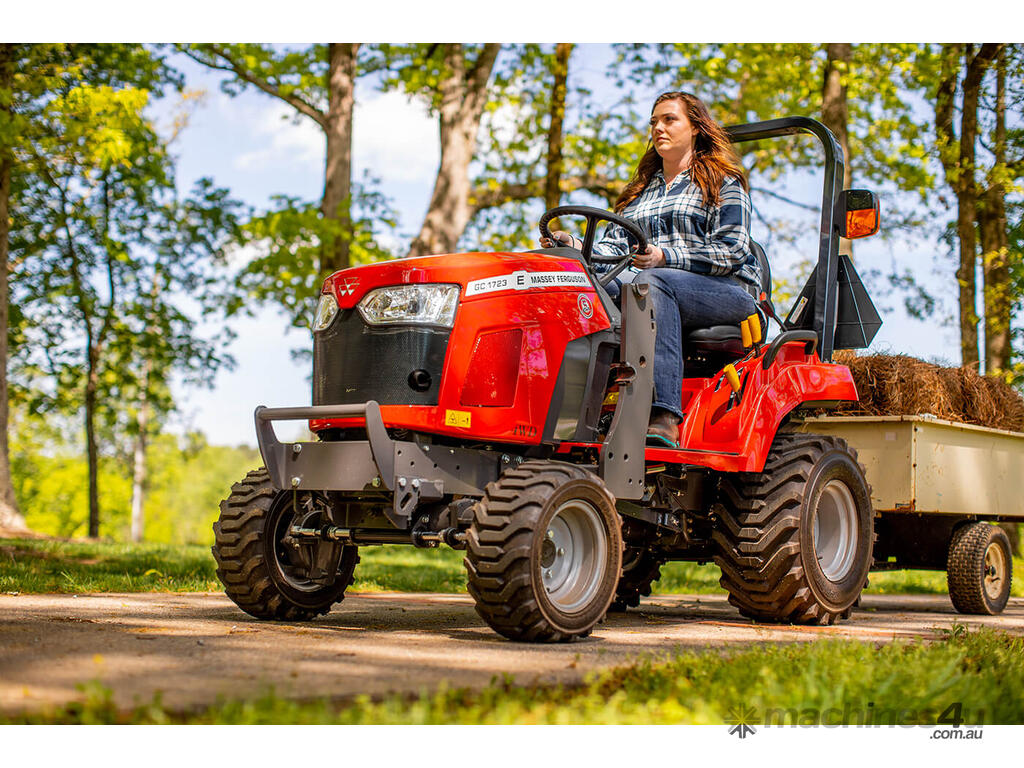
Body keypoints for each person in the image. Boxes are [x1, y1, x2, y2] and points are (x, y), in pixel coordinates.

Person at [540, 92, 760, 448]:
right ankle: (571, 412)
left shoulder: (723, 183)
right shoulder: (639, 193)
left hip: (727, 292)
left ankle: (664, 414)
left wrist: (664, 257)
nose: (659, 127)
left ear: (696, 128)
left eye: (670, 119)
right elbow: (615, 251)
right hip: (653, 283)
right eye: (654, 121)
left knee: (652, 282)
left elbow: (732, 251)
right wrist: (577, 248)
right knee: (582, 285)